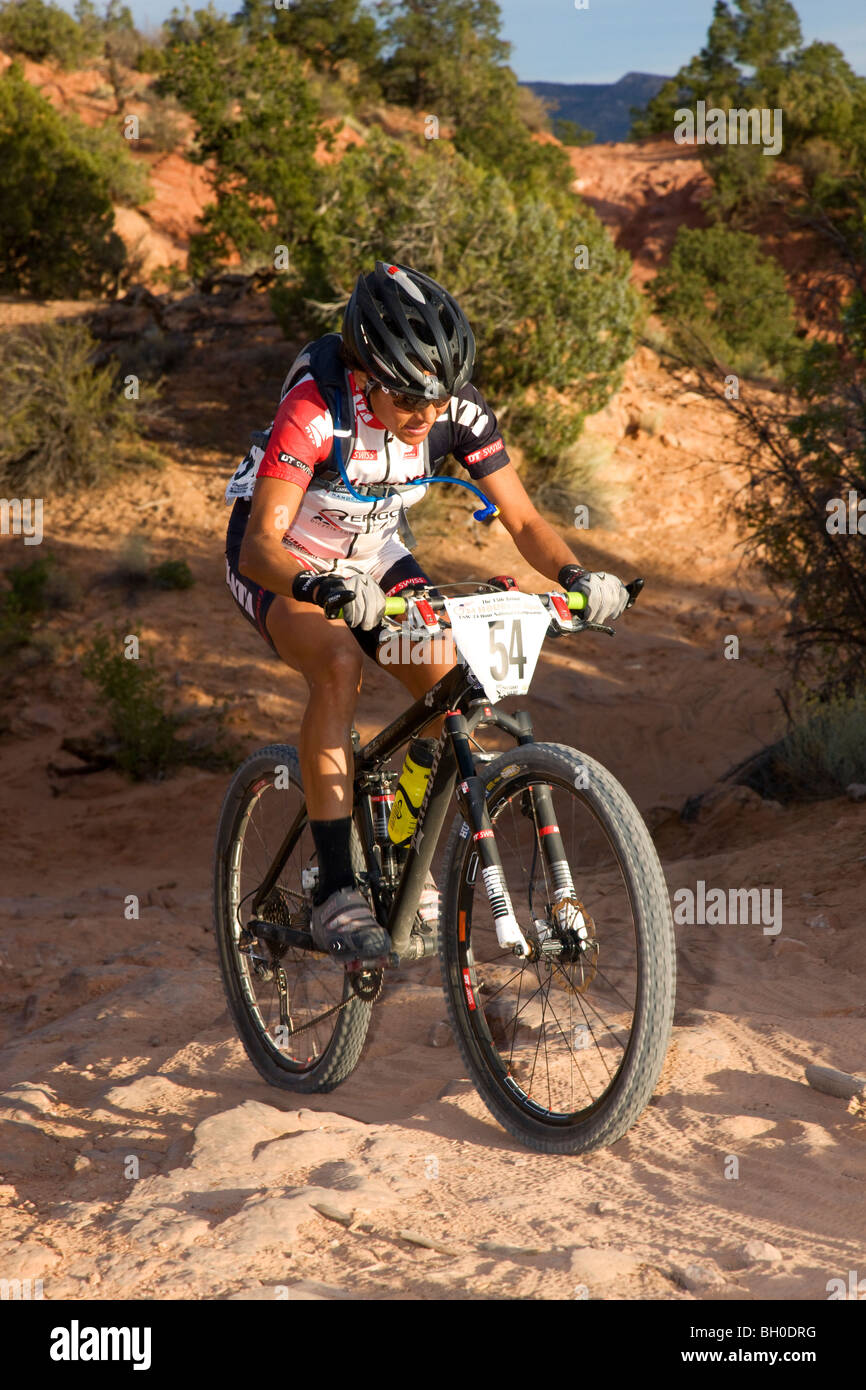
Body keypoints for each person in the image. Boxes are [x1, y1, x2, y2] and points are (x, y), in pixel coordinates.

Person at [225, 261, 629, 961]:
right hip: (285, 557)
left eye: (439, 399)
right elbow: (261, 545)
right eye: (410, 400)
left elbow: (524, 518)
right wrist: (319, 588)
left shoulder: (454, 410)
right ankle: (335, 890)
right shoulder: (316, 411)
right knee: (337, 663)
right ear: (367, 376)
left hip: (375, 553)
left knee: (453, 686)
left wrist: (577, 576)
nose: (428, 418)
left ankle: (399, 843)